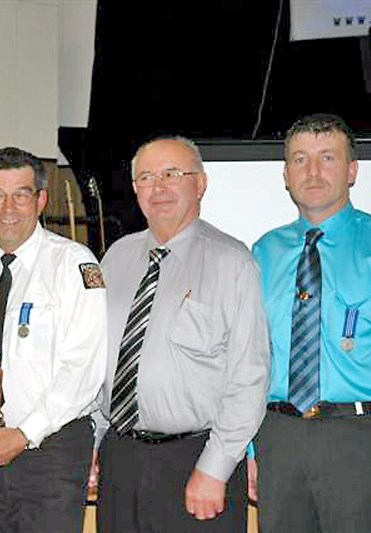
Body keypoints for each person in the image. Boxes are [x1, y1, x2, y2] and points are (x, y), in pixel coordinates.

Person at [251, 113, 371, 533]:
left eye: (327, 157)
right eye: (299, 159)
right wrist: (251, 451)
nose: (312, 172)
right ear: (285, 173)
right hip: (278, 440)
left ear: (352, 170)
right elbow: (252, 361)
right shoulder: (264, 253)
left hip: (363, 443)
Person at [94, 136, 270, 532]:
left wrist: (216, 467)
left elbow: (250, 377)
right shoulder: (116, 258)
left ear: (201, 184)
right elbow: (100, 359)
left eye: (172, 174)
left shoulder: (232, 262)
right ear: (135, 188)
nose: (159, 187)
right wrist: (96, 440)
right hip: (120, 457)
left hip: (195, 459)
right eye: (147, 177)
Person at [0, 146, 108, 531]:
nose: (8, 207)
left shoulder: (74, 264)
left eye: (21, 194)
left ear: (41, 200)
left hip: (51, 451)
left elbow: (84, 368)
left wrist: (25, 434)